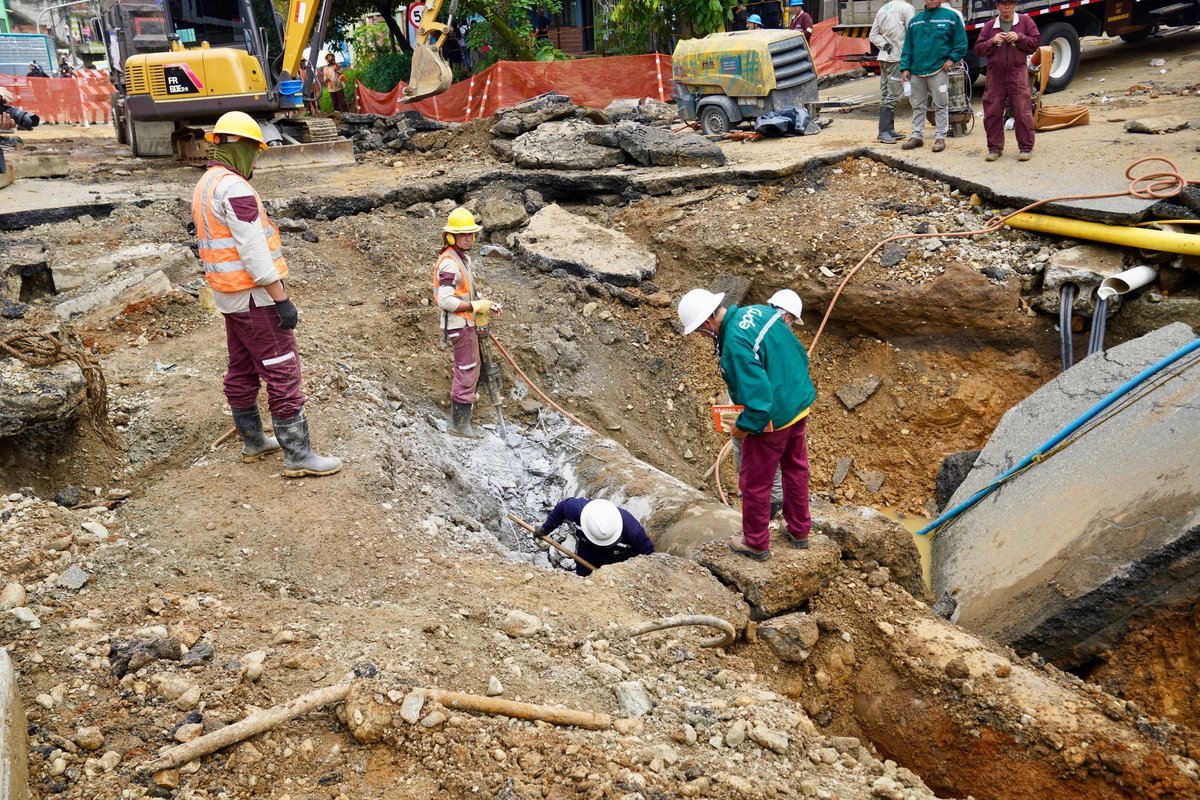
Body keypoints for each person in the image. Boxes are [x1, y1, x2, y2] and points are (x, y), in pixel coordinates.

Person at [191, 111, 342, 478]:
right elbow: (254, 252)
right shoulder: (236, 188)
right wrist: (281, 297)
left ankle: (254, 440)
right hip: (255, 298)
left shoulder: (206, 183)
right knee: (281, 369)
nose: (256, 159)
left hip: (229, 297)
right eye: (255, 151)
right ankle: (298, 455)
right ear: (242, 147)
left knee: (242, 368)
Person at [678, 288, 816, 561]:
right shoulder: (761, 311)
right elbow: (798, 354)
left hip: (773, 419)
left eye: (700, 332)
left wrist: (742, 426)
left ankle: (755, 542)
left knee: (755, 482)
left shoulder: (734, 344)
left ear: (708, 322)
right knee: (795, 469)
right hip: (798, 406)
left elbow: (759, 402)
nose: (703, 337)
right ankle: (799, 529)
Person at [728, 289, 805, 520]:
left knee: (760, 464)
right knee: (767, 464)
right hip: (759, 412)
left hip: (756, 412)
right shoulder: (772, 337)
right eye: (790, 319)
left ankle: (763, 511)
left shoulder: (745, 329)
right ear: (785, 315)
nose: (789, 324)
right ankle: (764, 510)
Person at [434, 207, 501, 438]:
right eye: (463, 234)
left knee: (471, 367)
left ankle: (465, 412)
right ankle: (460, 425)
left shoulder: (462, 258)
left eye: (471, 234)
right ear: (451, 236)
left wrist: (485, 303)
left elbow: (465, 292)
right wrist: (474, 307)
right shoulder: (450, 264)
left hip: (466, 322)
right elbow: (445, 301)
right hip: (459, 324)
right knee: (467, 369)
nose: (468, 238)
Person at [898, 0, 967, 153]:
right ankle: (916, 136)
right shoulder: (915, 21)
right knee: (917, 105)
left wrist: (951, 59)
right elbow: (908, 47)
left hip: (939, 70)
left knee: (941, 104)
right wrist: (905, 68)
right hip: (917, 71)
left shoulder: (950, 17)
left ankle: (940, 137)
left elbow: (961, 42)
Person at [974, 0, 1039, 161]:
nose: (1007, 7)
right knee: (992, 112)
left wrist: (1019, 37)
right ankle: (994, 149)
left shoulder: (1025, 21)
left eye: (1010, 3)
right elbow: (978, 49)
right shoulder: (990, 26)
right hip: (995, 75)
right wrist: (992, 41)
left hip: (1018, 73)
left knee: (1022, 111)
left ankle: (1025, 148)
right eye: (1003, 4)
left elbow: (1035, 42)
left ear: (1015, 5)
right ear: (997, 6)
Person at [534, 497, 655, 577]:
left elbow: (650, 558)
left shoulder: (632, 530)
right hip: (586, 553)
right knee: (583, 579)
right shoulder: (578, 510)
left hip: (617, 561)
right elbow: (560, 509)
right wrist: (545, 529)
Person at [869, 0, 916, 144]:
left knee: (885, 94)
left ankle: (889, 130)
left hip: (884, 57)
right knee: (894, 95)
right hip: (898, 58)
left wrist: (884, 45)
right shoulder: (907, 8)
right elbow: (912, 31)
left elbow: (873, 35)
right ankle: (883, 132)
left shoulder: (883, 8)